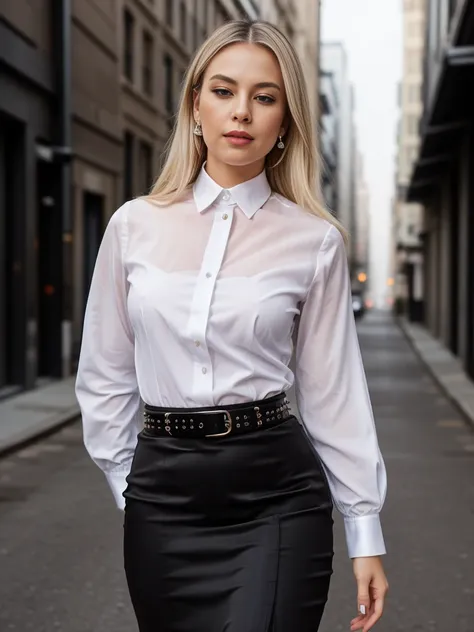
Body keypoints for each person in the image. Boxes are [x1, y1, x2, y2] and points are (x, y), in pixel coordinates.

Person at [75, 19, 388, 632]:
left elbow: (334, 394)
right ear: (196, 105)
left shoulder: (314, 241)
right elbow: (104, 371)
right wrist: (127, 481)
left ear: (284, 122)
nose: (241, 111)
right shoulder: (133, 226)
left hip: (276, 497)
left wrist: (365, 531)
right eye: (223, 91)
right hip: (161, 498)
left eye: (264, 97)